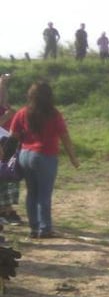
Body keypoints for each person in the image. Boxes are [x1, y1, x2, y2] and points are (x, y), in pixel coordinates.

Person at [7, 81, 80, 238]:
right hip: (45, 156)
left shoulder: (22, 113)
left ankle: (34, 228)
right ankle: (45, 229)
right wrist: (73, 157)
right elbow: (65, 137)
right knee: (44, 194)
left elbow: (13, 136)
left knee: (31, 192)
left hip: (25, 155)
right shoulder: (53, 114)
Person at [0, 74, 22, 225]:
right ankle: (6, 210)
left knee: (9, 175)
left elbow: (3, 100)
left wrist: (3, 83)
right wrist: (5, 118)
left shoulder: (3, 106)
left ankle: (7, 209)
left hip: (7, 141)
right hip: (3, 142)